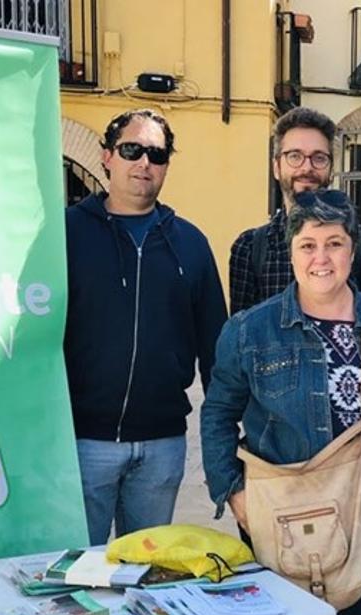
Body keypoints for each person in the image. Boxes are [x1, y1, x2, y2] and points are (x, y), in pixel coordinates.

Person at [201, 190, 361, 615]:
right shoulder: (251, 330)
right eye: (308, 245)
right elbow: (217, 414)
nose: (321, 258)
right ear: (292, 252)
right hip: (283, 521)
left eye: (334, 244)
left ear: (353, 250)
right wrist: (234, 494)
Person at [63, 109, 228, 545]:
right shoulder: (65, 234)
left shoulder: (190, 244)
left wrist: (224, 436)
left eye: (156, 154)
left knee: (143, 578)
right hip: (83, 443)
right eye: (132, 150)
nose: (144, 164)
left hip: (162, 445)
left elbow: (215, 345)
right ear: (106, 157)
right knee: (82, 576)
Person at [228, 107, 361, 314]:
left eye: (319, 158)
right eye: (295, 156)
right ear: (276, 167)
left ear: (331, 168)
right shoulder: (250, 248)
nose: (306, 167)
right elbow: (243, 335)